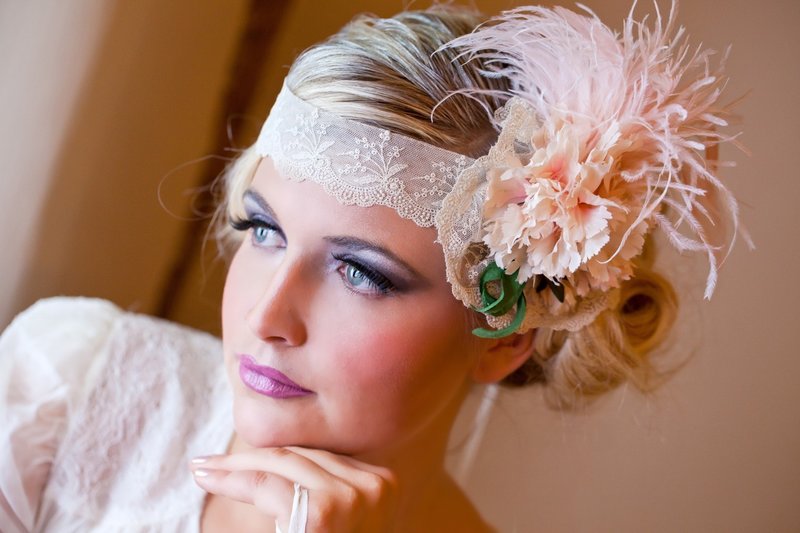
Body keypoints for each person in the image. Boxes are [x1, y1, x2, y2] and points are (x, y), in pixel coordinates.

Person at [0, 2, 744, 532]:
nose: (266, 317)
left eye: (361, 273)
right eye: (263, 229)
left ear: (503, 336)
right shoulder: (72, 386)